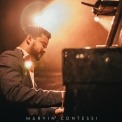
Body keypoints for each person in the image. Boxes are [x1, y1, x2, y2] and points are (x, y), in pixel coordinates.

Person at [0, 26, 64, 122]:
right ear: (29, 39)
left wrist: (54, 112)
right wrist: (61, 96)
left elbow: (29, 107)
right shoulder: (9, 57)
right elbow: (15, 93)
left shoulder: (27, 63)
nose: (45, 50)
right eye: (43, 44)